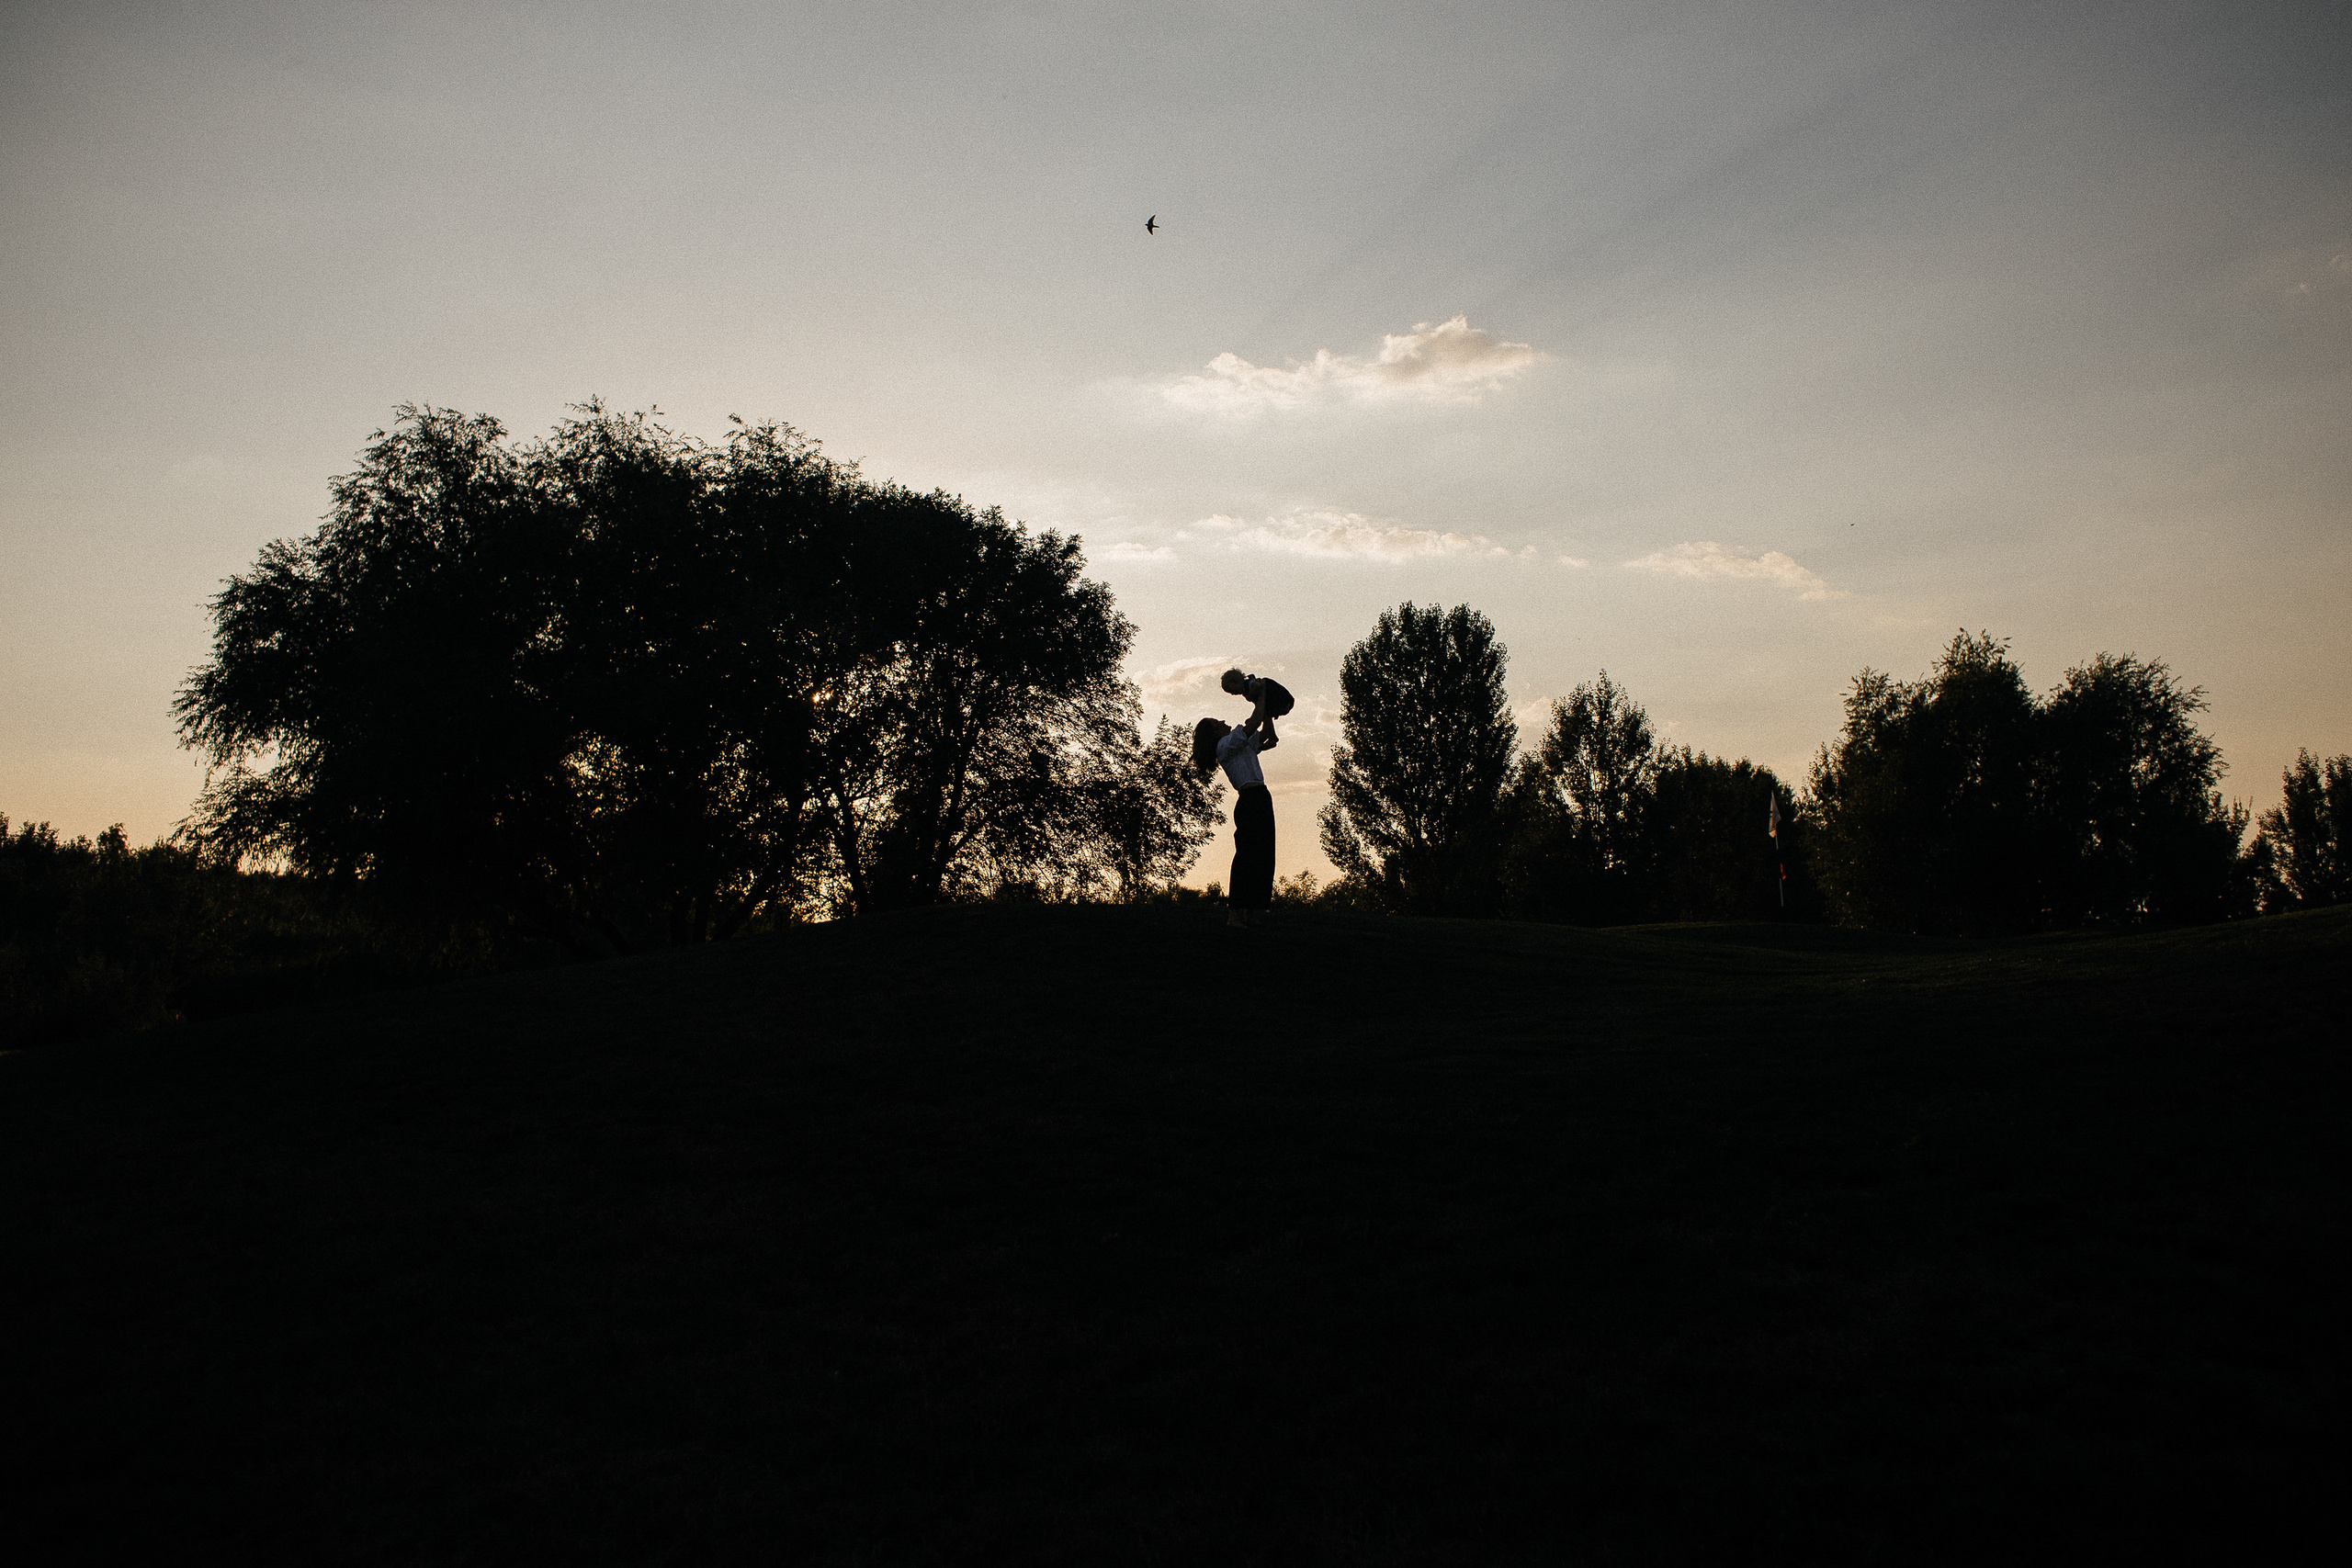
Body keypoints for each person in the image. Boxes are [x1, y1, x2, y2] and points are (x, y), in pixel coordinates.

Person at [1193, 716, 1274, 928]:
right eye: (1216, 723)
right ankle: (1234, 916)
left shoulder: (1238, 743)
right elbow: (1254, 723)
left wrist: (1269, 714)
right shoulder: (1225, 745)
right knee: (1246, 859)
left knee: (1263, 857)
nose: (1222, 721)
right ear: (1214, 733)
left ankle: (1251, 913)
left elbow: (1265, 734)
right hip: (1250, 800)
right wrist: (1262, 696)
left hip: (1261, 796)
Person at [1220, 668, 1294, 751]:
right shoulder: (1247, 687)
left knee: (1264, 713)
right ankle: (1272, 736)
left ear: (1235, 682)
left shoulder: (1248, 684)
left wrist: (1249, 697)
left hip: (1282, 700)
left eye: (1230, 690)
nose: (1232, 694)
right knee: (1265, 714)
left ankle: (1272, 737)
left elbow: (1257, 686)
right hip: (1282, 702)